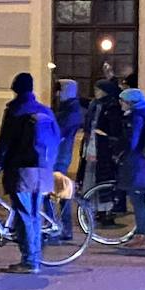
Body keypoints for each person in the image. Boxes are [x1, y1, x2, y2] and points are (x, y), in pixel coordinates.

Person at [0, 72, 61, 275]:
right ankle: (35, 257)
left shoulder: (15, 110)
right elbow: (57, 137)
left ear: (15, 88)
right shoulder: (45, 110)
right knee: (34, 214)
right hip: (43, 169)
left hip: (22, 169)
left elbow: (4, 142)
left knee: (25, 214)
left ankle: (30, 261)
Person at [116, 85, 145, 249]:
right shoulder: (144, 113)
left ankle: (141, 235)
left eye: (122, 101)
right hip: (142, 162)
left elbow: (133, 141)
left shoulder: (137, 117)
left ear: (130, 102)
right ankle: (140, 231)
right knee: (139, 199)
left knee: (138, 200)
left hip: (137, 163)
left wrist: (119, 148)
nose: (120, 104)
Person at [86, 78, 127, 218]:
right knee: (92, 177)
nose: (96, 92)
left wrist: (105, 135)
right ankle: (95, 207)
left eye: (98, 90)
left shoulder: (112, 107)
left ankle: (106, 210)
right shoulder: (96, 105)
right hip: (93, 146)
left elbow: (115, 130)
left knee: (105, 179)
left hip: (105, 149)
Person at [52, 79, 83, 241]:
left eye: (59, 90)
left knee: (58, 191)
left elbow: (60, 131)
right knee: (55, 191)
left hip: (60, 155)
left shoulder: (71, 110)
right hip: (58, 154)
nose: (57, 93)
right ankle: (60, 227)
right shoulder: (67, 108)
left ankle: (61, 228)